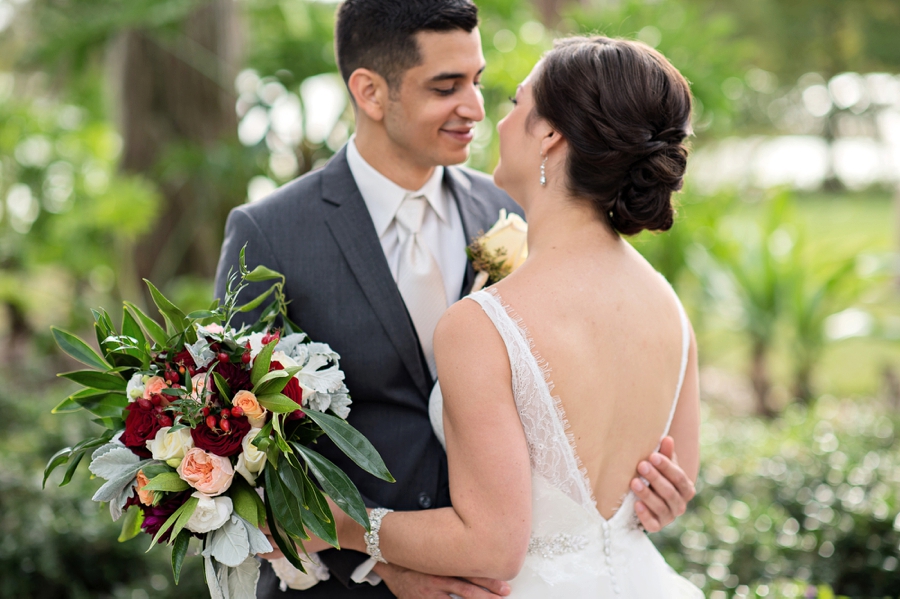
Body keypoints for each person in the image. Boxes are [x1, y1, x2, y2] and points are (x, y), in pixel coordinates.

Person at [215, 2, 696, 597]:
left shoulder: (521, 209)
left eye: (480, 82)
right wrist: (380, 565)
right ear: (369, 92)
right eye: (447, 87)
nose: (475, 108)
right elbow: (233, 453)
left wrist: (648, 487)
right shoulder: (270, 234)